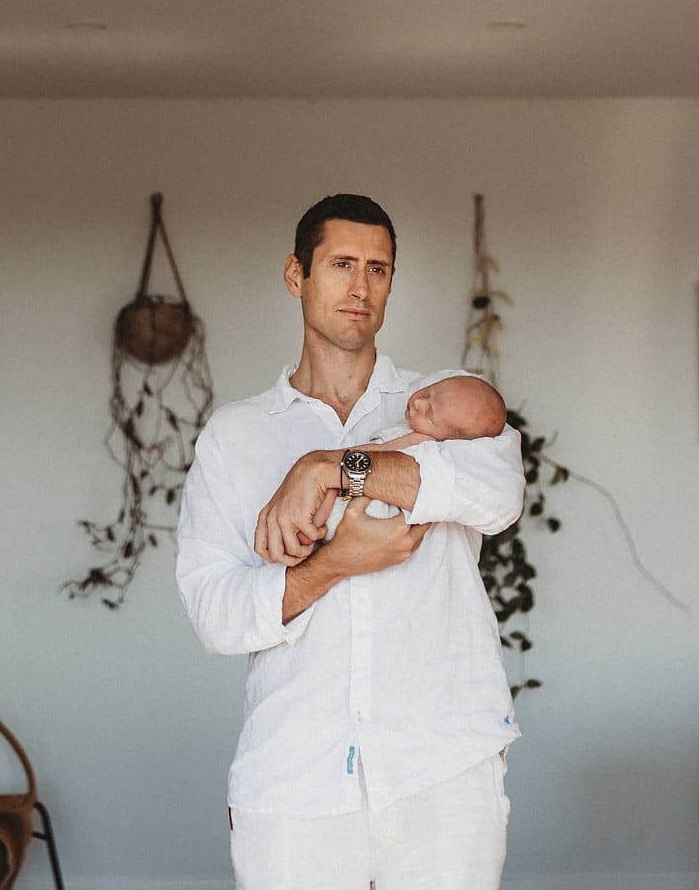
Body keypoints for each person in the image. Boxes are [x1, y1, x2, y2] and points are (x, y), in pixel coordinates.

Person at [176, 193, 525, 890]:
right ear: (295, 275)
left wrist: (328, 466)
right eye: (340, 264)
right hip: (294, 770)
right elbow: (217, 615)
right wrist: (334, 564)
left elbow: (495, 497)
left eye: (378, 268)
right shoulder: (235, 437)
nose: (360, 287)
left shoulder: (449, 404)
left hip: (442, 762)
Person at [321, 371, 507, 538]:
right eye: (428, 392)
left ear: (447, 437)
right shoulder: (422, 430)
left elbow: (377, 453)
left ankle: (315, 529)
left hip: (371, 510)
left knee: (331, 487)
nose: (418, 402)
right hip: (369, 502)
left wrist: (334, 461)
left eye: (429, 415)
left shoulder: (421, 441)